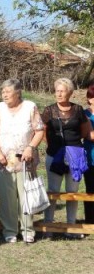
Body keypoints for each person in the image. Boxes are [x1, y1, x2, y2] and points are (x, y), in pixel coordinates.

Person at [0, 79, 44, 243]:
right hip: (4, 160)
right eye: (2, 91)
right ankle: (10, 231)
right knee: (7, 198)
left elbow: (39, 131)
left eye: (8, 91)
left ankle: (27, 230)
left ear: (18, 92)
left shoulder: (30, 107)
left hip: (25, 160)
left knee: (26, 195)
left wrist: (30, 147)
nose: (4, 94)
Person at [42, 77, 91, 239]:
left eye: (62, 91)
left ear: (70, 92)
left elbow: (85, 132)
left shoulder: (78, 110)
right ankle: (48, 226)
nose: (59, 93)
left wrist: (72, 145)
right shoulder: (48, 110)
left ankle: (71, 226)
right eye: (57, 90)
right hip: (54, 154)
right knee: (53, 191)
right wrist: (56, 147)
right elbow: (42, 132)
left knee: (73, 192)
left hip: (75, 155)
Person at [83, 87, 94, 224]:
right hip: (90, 158)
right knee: (90, 190)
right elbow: (90, 135)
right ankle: (90, 221)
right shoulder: (84, 114)